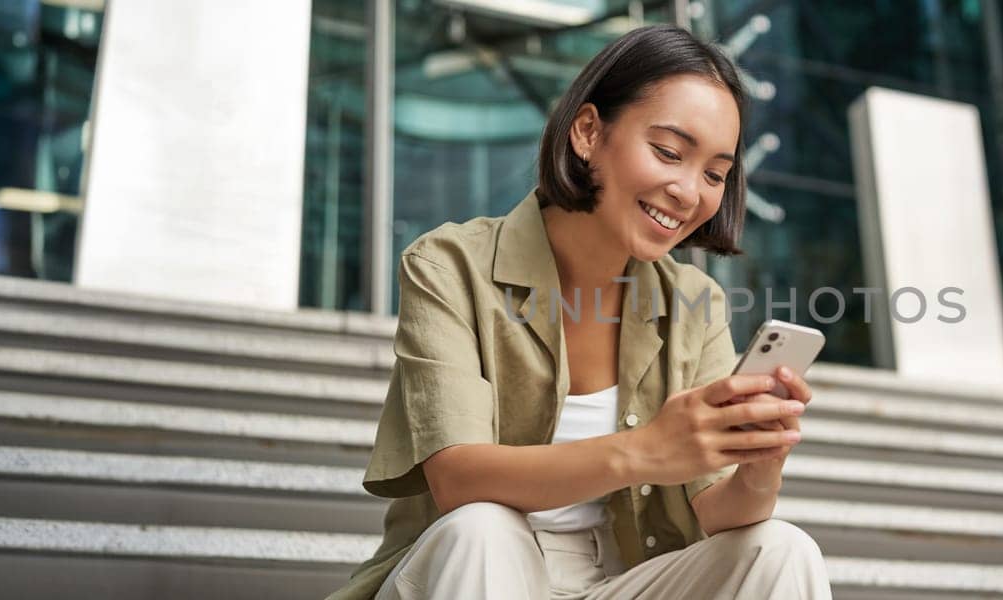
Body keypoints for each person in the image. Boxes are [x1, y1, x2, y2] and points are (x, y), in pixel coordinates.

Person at [325, 24, 832, 600]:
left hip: (621, 577)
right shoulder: (449, 266)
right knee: (482, 528)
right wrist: (641, 452)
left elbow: (719, 514)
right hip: (472, 573)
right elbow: (457, 479)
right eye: (669, 152)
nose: (690, 192)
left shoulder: (694, 300)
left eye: (715, 173)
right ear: (588, 132)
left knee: (783, 547)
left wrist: (760, 464)